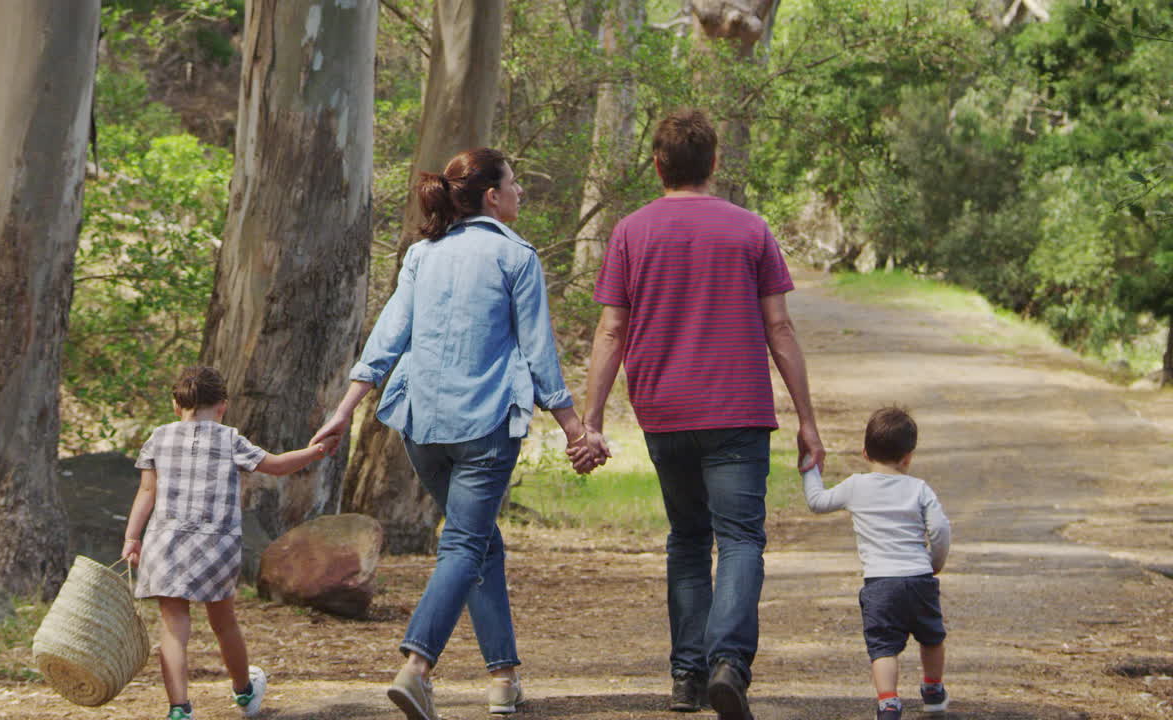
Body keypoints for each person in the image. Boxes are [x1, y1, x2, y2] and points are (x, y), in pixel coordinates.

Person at [310, 147, 607, 720]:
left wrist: (345, 409)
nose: (520, 192)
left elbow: (388, 335)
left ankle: (503, 678)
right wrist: (576, 429)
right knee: (465, 544)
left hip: (422, 429)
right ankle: (416, 667)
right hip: (485, 427)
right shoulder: (516, 256)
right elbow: (538, 351)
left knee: (479, 542)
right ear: (492, 196)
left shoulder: (422, 254)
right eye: (514, 183)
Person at [577, 109, 824, 720]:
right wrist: (807, 420)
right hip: (737, 411)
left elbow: (611, 331)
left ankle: (687, 677)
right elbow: (779, 328)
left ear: (657, 164)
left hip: (664, 412)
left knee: (688, 539)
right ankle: (728, 665)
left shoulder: (631, 232)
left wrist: (592, 421)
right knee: (739, 539)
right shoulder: (751, 230)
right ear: (715, 162)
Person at [122, 365, 329, 720]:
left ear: (176, 405)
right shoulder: (230, 439)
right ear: (222, 406)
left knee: (173, 628)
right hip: (215, 547)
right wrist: (315, 451)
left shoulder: (158, 437)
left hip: (165, 543)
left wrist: (131, 537)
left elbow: (146, 491)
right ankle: (244, 692)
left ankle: (179, 709)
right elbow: (277, 466)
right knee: (224, 623)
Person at [801, 406, 951, 720]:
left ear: (865, 452)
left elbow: (817, 501)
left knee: (883, 647)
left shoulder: (856, 486)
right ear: (908, 457)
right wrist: (934, 562)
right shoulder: (919, 488)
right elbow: (940, 529)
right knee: (932, 637)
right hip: (920, 578)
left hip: (880, 583)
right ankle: (933, 689)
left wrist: (808, 466)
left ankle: (888, 702)